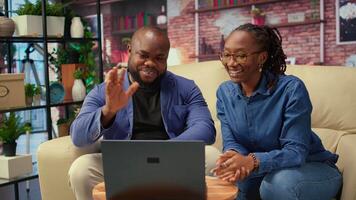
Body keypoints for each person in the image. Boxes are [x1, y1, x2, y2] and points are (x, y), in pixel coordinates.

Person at [68, 26, 217, 200]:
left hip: (173, 160)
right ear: (130, 50)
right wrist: (108, 111)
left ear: (166, 58)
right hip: (123, 163)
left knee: (213, 158)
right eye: (144, 55)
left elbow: (205, 128)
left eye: (159, 58)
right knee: (81, 169)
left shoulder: (186, 88)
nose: (150, 63)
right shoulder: (105, 91)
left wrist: (164, 151)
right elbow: (78, 136)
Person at [212, 23, 342, 200]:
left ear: (262, 57)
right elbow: (231, 141)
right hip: (262, 171)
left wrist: (252, 161)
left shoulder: (290, 89)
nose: (231, 63)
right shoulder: (224, 93)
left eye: (241, 56)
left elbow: (296, 152)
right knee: (221, 181)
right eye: (226, 55)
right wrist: (234, 158)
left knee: (277, 184)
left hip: (309, 168)